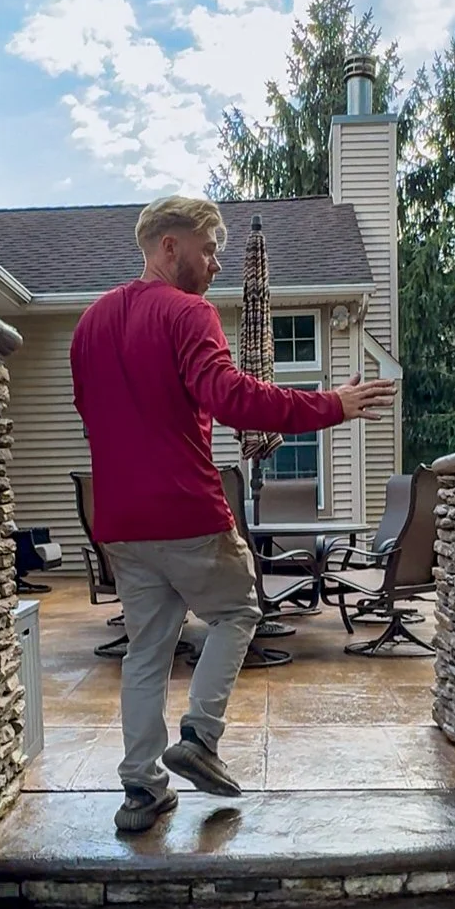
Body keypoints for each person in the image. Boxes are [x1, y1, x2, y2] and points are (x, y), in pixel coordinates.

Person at [70, 195, 397, 833]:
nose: (215, 263)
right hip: (187, 508)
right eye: (208, 247)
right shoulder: (188, 313)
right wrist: (332, 404)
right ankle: (200, 735)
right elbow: (232, 397)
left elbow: (93, 415)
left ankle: (141, 791)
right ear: (170, 246)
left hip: (120, 522)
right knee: (239, 610)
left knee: (146, 652)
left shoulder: (90, 324)